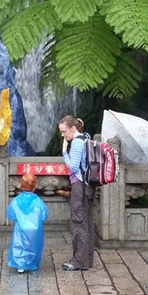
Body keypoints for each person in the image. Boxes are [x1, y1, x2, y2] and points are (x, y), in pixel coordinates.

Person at [59, 114, 95, 271]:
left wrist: (64, 152)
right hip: (88, 185)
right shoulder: (86, 137)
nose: (63, 135)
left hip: (80, 186)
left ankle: (79, 261)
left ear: (73, 128)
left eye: (64, 131)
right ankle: (86, 259)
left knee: (78, 221)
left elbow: (73, 167)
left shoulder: (77, 143)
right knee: (86, 221)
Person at [6, 173, 49, 273]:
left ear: (21, 185)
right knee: (34, 246)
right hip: (35, 229)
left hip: (21, 227)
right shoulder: (38, 201)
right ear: (35, 186)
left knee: (20, 245)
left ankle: (20, 264)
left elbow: (10, 214)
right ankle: (32, 264)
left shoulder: (17, 200)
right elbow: (44, 215)